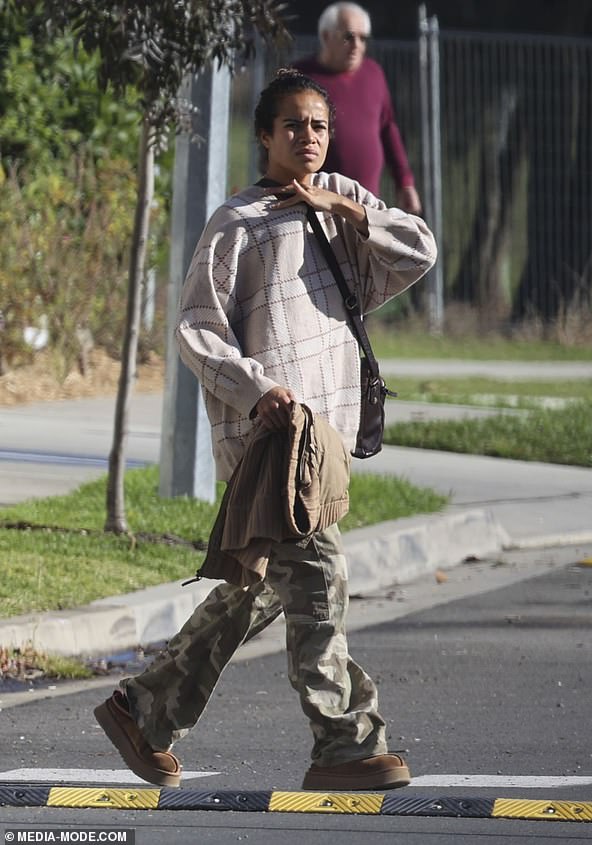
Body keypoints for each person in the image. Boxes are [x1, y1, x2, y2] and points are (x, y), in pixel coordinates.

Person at [94, 69, 436, 793]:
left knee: (257, 587)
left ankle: (143, 709)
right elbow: (195, 327)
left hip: (326, 438)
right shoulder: (237, 222)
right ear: (265, 136)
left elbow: (419, 250)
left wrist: (344, 207)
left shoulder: (344, 205)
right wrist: (256, 389)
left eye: (318, 126)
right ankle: (346, 740)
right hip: (272, 441)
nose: (308, 137)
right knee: (317, 579)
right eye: (292, 126)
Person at [293, 2, 422, 214]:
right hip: (315, 206)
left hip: (365, 207)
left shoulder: (374, 74)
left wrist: (405, 182)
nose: (356, 45)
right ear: (326, 36)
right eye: (348, 37)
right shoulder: (301, 77)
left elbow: (388, 129)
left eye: (363, 38)